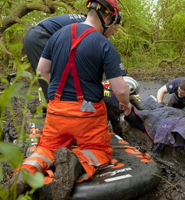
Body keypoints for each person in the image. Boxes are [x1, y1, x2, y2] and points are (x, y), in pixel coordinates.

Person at [10, 0, 131, 199]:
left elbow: (42, 71)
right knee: (99, 150)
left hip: (57, 113)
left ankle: (25, 171)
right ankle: (76, 162)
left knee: (46, 148)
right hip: (88, 116)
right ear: (108, 17)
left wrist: (61, 92)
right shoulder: (103, 43)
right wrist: (124, 103)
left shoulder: (57, 35)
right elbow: (119, 89)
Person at [24, 12, 122, 103]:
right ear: (108, 22)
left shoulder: (86, 22)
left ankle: (60, 107)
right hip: (40, 35)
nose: (113, 33)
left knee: (55, 79)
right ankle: (59, 111)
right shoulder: (88, 26)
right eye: (115, 29)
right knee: (53, 78)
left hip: (35, 34)